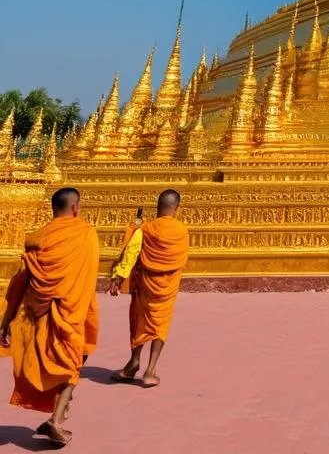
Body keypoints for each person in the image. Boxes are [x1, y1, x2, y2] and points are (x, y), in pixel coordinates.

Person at [0, 186, 100, 447]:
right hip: (71, 311)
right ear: (76, 208)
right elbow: (87, 278)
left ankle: (59, 412)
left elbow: (21, 281)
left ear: (53, 208)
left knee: (58, 362)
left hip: (39, 314)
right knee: (71, 365)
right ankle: (57, 420)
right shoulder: (86, 234)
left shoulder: (38, 238)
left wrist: (7, 319)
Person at [109, 189, 190, 388]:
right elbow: (181, 259)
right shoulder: (181, 231)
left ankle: (133, 363)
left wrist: (118, 277)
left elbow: (132, 252)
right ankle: (150, 370)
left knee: (140, 321)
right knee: (160, 326)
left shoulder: (146, 229)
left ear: (157, 207)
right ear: (177, 208)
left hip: (145, 284)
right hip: (167, 286)